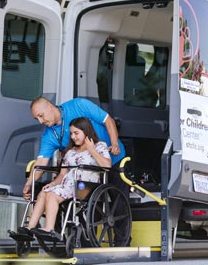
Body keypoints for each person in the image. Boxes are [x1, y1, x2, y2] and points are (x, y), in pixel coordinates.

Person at [21, 96, 129, 246]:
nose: (40, 121)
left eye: (41, 115)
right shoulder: (50, 135)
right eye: (36, 118)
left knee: (118, 202)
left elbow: (108, 120)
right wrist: (29, 184)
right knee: (87, 203)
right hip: (80, 178)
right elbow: (41, 162)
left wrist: (114, 143)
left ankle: (122, 243)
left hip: (112, 158)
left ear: (50, 107)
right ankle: (32, 229)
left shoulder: (79, 105)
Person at [18, 117, 111, 235]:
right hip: (67, 185)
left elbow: (107, 166)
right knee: (43, 193)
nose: (73, 137)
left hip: (84, 186)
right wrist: (52, 183)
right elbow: (62, 174)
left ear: (86, 131)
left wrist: (92, 150)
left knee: (52, 195)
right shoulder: (70, 151)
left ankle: (49, 229)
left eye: (76, 133)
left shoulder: (99, 146)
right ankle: (29, 229)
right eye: (71, 133)